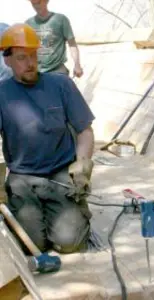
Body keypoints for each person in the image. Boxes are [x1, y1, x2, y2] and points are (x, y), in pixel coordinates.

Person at [0, 23, 95, 254]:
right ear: (7, 60)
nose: (30, 63)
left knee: (69, 243)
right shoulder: (1, 93)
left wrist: (82, 163)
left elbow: (85, 130)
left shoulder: (61, 85)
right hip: (23, 177)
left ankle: (75, 211)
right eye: (22, 57)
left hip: (60, 175)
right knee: (32, 245)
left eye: (33, 56)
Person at [26, 0, 83, 77]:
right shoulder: (28, 24)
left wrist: (77, 65)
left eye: (39, 2)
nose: (36, 6)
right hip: (38, 72)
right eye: (33, 3)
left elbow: (72, 44)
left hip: (57, 70)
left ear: (46, 1)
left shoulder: (61, 20)